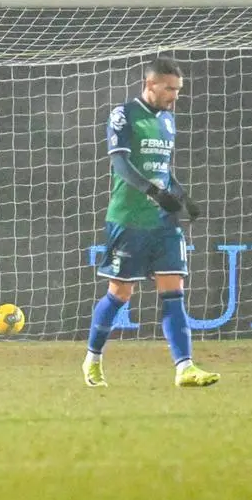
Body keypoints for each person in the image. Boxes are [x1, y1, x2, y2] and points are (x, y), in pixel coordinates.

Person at [83, 57, 219, 388]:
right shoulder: (124, 115)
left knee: (174, 292)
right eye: (169, 88)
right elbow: (121, 165)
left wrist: (182, 197)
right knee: (120, 293)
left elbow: (163, 169)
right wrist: (154, 193)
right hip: (129, 219)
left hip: (163, 222)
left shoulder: (168, 121)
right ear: (150, 85)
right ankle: (92, 359)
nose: (175, 95)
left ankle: (184, 367)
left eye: (178, 90)